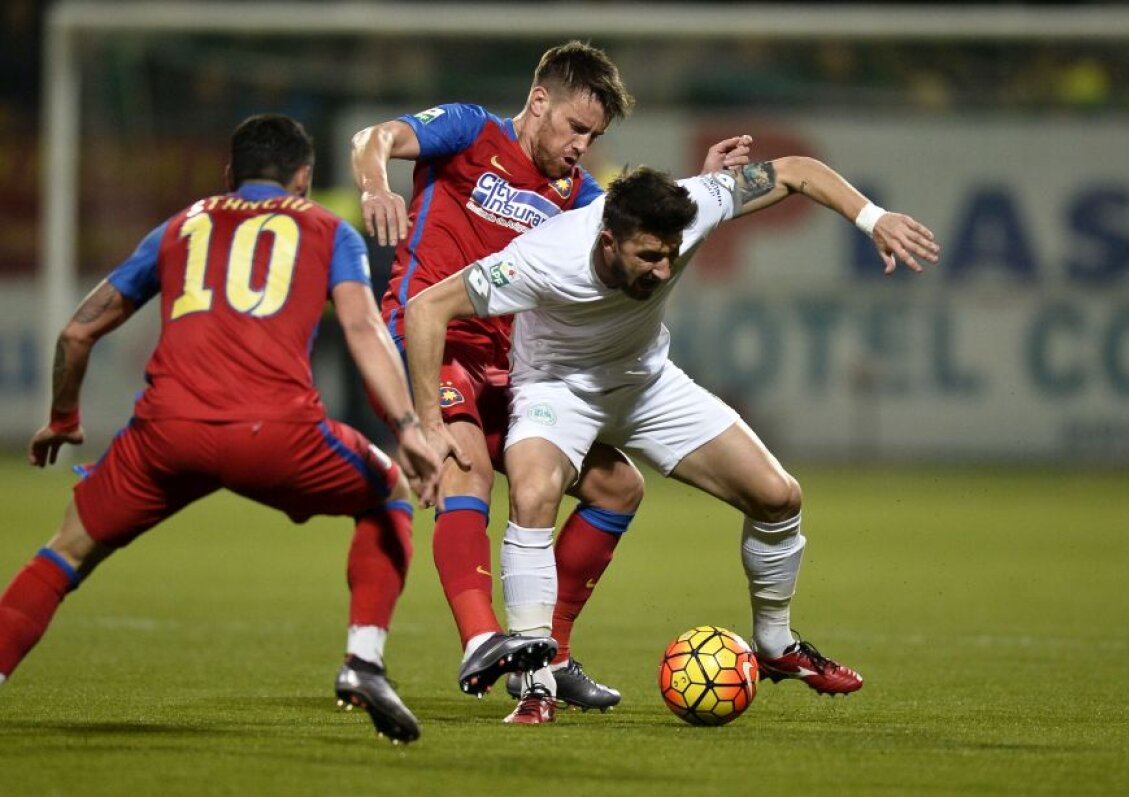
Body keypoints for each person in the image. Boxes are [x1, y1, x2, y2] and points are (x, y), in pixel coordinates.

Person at [404, 158, 941, 723]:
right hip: (557, 392)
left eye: (671, 254)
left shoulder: (696, 202)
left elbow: (794, 171)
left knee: (779, 497)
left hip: (647, 384)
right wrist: (427, 422)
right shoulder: (545, 258)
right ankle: (535, 681)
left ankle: (777, 644)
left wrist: (872, 218)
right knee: (534, 495)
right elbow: (426, 308)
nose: (664, 271)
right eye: (649, 257)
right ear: (608, 242)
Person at [0, 114, 447, 745]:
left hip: (164, 437)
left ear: (230, 175)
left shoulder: (181, 225)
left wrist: (64, 417)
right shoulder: (325, 228)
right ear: (303, 179)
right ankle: (364, 663)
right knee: (391, 492)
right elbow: (362, 329)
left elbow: (78, 332)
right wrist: (406, 426)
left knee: (65, 550)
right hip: (276, 434)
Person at [351, 40, 753, 710]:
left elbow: (638, 233)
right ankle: (483, 638)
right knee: (468, 466)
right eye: (575, 127)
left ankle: (551, 652)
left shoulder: (582, 195)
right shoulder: (469, 131)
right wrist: (374, 184)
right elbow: (374, 137)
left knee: (618, 488)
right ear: (539, 101)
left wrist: (696, 188)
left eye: (594, 136)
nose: (581, 145)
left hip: (510, 365)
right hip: (430, 338)